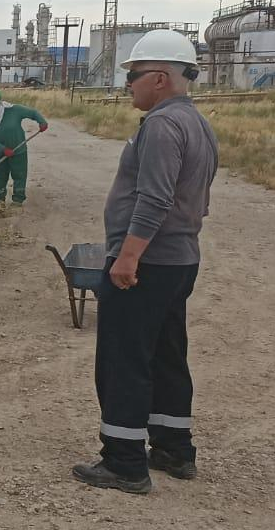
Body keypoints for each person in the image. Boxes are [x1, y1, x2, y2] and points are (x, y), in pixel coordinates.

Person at [73, 31, 218, 494]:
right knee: (166, 353)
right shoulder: (196, 122)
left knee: (124, 357)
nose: (128, 85)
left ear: (159, 77)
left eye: (132, 75)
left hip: (148, 264)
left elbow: (155, 198)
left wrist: (128, 257)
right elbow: (198, 198)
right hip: (179, 261)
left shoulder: (160, 125)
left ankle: (124, 462)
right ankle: (174, 448)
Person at [0, 90, 48, 205]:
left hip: (18, 151)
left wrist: (42, 122)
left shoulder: (14, 110)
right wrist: (3, 149)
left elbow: (33, 113)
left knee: (19, 175)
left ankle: (18, 200)